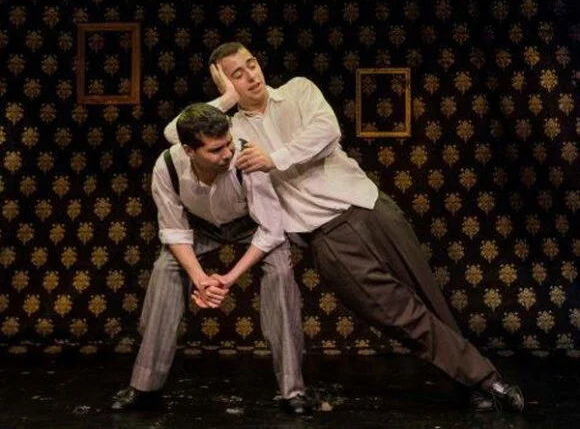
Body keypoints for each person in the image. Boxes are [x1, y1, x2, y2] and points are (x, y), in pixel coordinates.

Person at [164, 42, 525, 413]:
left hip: (369, 207)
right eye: (237, 75)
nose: (250, 76)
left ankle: (474, 385)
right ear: (224, 83)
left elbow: (326, 131)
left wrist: (275, 159)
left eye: (251, 64)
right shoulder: (232, 131)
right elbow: (175, 134)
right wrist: (226, 98)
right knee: (398, 314)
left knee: (429, 297)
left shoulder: (298, 90)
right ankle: (490, 383)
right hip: (328, 237)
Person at [113, 103, 310, 415]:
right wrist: (201, 279)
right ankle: (144, 388)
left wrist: (228, 279)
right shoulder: (167, 165)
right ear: (189, 150)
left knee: (280, 273)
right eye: (216, 150)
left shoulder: (246, 159)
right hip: (202, 229)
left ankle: (293, 391)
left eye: (229, 143)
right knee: (165, 269)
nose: (228, 154)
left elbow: (271, 230)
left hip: (252, 227)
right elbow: (174, 230)